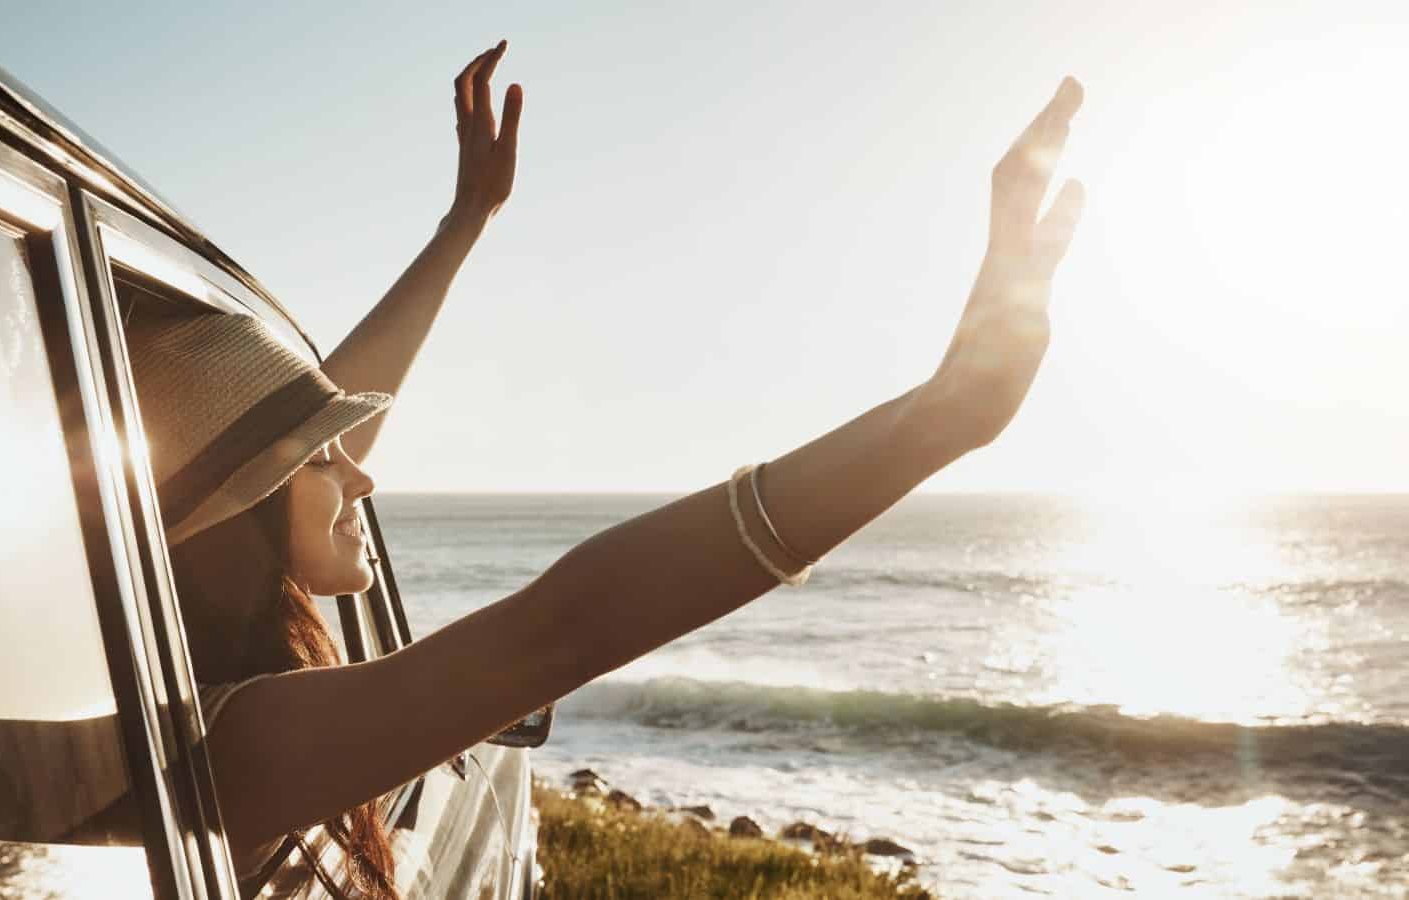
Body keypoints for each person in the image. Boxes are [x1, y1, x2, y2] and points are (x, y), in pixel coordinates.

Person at [127, 41, 1086, 899]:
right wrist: (938, 422)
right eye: (327, 459)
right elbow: (566, 627)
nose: (363, 477)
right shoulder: (238, 742)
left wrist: (466, 221)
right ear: (239, 515)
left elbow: (300, 442)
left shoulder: (181, 683)